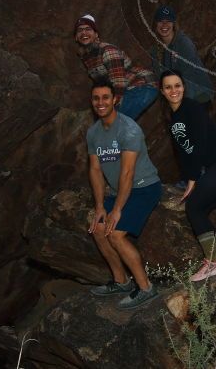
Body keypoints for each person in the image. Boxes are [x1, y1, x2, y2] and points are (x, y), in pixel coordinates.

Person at [159, 70, 216, 281]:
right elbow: (184, 153)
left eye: (177, 85)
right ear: (162, 91)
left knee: (194, 206)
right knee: (200, 208)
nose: (173, 90)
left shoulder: (190, 107)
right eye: (168, 87)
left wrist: (193, 179)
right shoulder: (173, 118)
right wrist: (189, 177)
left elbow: (198, 144)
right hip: (215, 165)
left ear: (183, 87)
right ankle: (215, 259)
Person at [86, 78, 162, 309]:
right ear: (92, 101)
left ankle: (146, 288)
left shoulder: (129, 130)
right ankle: (121, 281)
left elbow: (127, 173)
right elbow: (95, 170)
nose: (101, 102)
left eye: (105, 98)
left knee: (116, 234)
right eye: (96, 98)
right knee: (98, 229)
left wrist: (117, 210)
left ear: (115, 100)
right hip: (120, 190)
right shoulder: (93, 132)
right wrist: (100, 206)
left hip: (144, 187)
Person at [74, 14, 158, 120]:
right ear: (76, 37)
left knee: (115, 122)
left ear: (96, 34)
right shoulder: (87, 57)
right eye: (80, 30)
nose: (84, 33)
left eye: (88, 29)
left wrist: (108, 109)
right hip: (126, 89)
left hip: (142, 85)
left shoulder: (107, 51)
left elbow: (118, 85)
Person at [149, 5, 214, 109]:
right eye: (160, 21)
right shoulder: (155, 49)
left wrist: (179, 105)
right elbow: (159, 76)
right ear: (155, 24)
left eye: (168, 21)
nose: (164, 24)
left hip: (198, 95)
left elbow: (189, 76)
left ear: (174, 24)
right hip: (175, 96)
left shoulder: (184, 43)